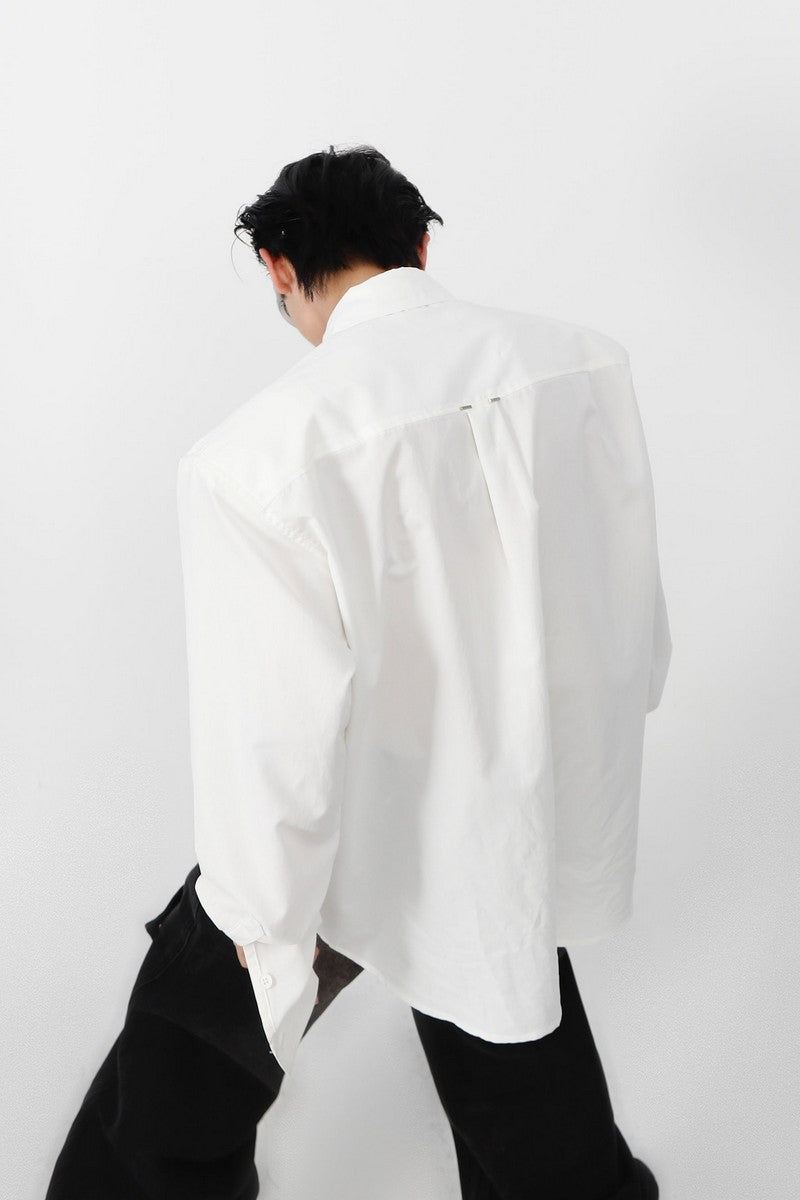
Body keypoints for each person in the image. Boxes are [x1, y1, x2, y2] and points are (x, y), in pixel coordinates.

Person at [45, 143, 670, 1199]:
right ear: (420, 244)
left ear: (279, 268)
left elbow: (274, 738)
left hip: (347, 825)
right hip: (509, 805)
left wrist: (254, 918)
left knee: (162, 1103)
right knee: (515, 1039)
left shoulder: (255, 459)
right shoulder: (582, 366)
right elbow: (626, 611)